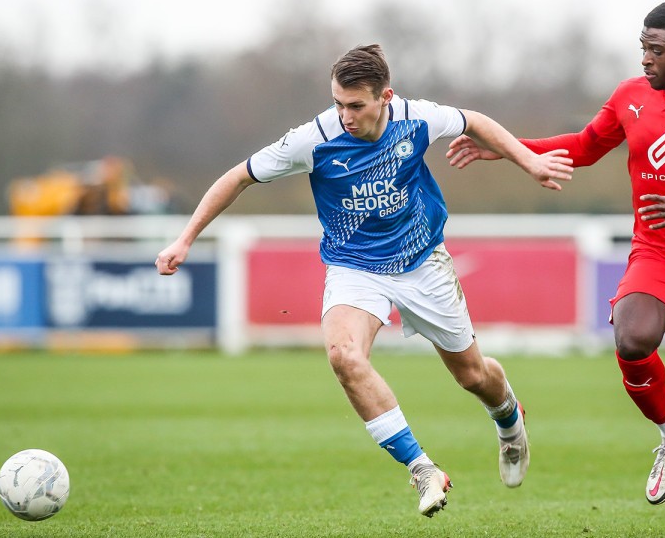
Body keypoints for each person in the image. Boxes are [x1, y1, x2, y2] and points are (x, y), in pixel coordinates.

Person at [156, 44, 574, 517]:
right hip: (355, 268)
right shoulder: (312, 139)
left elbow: (473, 119)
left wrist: (529, 160)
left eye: (356, 105)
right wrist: (185, 239)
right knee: (343, 356)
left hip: (423, 262)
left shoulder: (417, 118)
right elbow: (239, 177)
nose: (345, 116)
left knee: (473, 376)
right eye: (338, 103)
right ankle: (421, 469)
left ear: (385, 97)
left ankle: (509, 420)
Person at [446, 0, 665, 534]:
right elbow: (586, 146)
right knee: (631, 338)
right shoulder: (630, 96)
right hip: (658, 251)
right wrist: (510, 150)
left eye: (656, 50)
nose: (645, 58)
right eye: (642, 46)